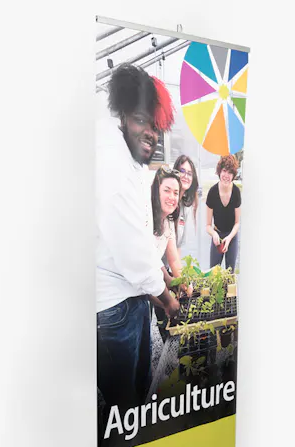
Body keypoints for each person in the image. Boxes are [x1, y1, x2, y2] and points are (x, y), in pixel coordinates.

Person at [95, 64, 180, 423]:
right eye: (144, 121)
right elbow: (135, 263)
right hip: (115, 308)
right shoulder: (114, 166)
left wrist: (165, 275)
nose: (151, 134)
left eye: (157, 128)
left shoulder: (128, 160)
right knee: (124, 410)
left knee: (137, 390)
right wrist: (170, 302)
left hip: (127, 301)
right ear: (125, 113)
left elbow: (141, 240)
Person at [150, 166, 184, 343]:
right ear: (157, 191)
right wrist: (167, 302)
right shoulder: (146, 219)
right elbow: (144, 272)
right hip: (124, 298)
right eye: (167, 190)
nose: (172, 197)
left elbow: (164, 259)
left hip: (141, 291)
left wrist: (174, 280)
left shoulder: (168, 221)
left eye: (176, 192)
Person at [205, 154, 241, 270]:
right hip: (217, 234)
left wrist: (229, 237)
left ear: (234, 175)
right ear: (219, 171)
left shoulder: (236, 192)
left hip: (232, 236)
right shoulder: (212, 192)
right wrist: (214, 234)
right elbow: (208, 225)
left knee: (230, 276)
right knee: (213, 274)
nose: (226, 175)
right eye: (224, 170)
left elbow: (237, 223)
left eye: (230, 172)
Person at [172, 155, 200, 258]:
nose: (186, 176)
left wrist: (179, 273)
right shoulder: (167, 202)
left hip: (169, 269)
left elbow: (178, 247)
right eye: (182, 171)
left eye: (189, 173)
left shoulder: (184, 208)